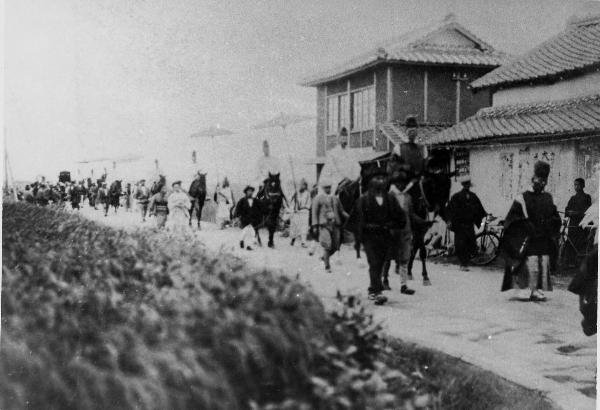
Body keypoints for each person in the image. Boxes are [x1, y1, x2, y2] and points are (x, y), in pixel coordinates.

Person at [500, 161, 561, 301]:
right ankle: (525, 289)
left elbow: (554, 216)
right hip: (528, 237)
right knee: (529, 262)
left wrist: (552, 223)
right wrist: (524, 224)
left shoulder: (548, 198)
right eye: (538, 179)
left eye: (544, 180)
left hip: (543, 237)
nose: (541, 183)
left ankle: (537, 289)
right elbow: (512, 218)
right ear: (532, 180)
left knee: (542, 262)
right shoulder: (523, 197)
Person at [347, 166, 406, 305]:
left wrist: (391, 225)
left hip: (385, 235)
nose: (381, 181)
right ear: (370, 181)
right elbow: (355, 220)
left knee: (380, 263)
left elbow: (401, 218)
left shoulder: (390, 198)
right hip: (369, 237)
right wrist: (360, 235)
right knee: (373, 262)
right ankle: (378, 292)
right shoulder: (363, 200)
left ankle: (372, 289)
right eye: (377, 178)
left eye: (383, 178)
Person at [383, 170, 426, 294]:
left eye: (403, 183)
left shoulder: (408, 197)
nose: (401, 185)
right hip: (392, 232)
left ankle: (403, 285)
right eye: (398, 183)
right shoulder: (389, 196)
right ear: (395, 183)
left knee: (404, 258)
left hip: (405, 232)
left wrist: (422, 221)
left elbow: (411, 214)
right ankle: (385, 279)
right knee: (388, 257)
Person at [446, 176, 487, 271]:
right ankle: (463, 264)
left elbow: (479, 208)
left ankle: (465, 263)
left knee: (469, 244)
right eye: (466, 184)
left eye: (468, 184)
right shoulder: (457, 196)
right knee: (462, 245)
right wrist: (449, 220)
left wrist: (485, 215)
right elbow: (450, 210)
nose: (467, 186)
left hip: (467, 224)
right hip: (461, 225)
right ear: (464, 185)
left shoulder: (473, 196)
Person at [311, 179, 348, 272]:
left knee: (335, 246)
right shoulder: (318, 198)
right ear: (323, 188)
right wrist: (315, 226)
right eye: (326, 188)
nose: (328, 189)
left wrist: (350, 217)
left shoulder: (335, 198)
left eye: (329, 187)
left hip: (335, 225)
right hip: (324, 225)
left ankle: (324, 257)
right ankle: (327, 266)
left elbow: (342, 211)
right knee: (327, 245)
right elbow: (314, 212)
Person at [564, 178, 593, 267]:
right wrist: (568, 213)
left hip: (581, 224)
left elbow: (587, 211)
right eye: (575, 185)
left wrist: (575, 213)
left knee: (580, 243)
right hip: (572, 224)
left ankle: (580, 262)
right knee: (571, 242)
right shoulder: (573, 198)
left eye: (578, 185)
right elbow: (567, 209)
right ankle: (570, 262)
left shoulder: (587, 197)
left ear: (583, 186)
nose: (576, 187)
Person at [392, 116, 425, 182]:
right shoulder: (399, 148)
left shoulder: (423, 148)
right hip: (403, 181)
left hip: (419, 181)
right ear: (406, 131)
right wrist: (402, 167)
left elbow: (425, 165)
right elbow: (392, 167)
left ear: (417, 132)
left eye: (414, 131)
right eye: (410, 131)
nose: (412, 133)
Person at [234, 185, 263, 250]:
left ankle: (248, 246)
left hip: (253, 219)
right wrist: (236, 216)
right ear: (246, 192)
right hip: (244, 219)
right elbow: (238, 209)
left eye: (251, 191)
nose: (250, 192)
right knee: (245, 231)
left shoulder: (255, 200)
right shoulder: (242, 200)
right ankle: (241, 240)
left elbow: (261, 207)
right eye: (249, 191)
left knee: (252, 233)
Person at [289, 179, 312, 247]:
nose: (302, 186)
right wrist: (294, 209)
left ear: (305, 186)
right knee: (294, 226)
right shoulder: (296, 193)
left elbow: (309, 204)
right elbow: (292, 202)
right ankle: (293, 239)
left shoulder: (308, 193)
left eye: (303, 185)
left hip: (304, 212)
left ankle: (303, 242)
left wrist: (303, 208)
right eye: (301, 185)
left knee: (304, 227)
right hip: (296, 212)